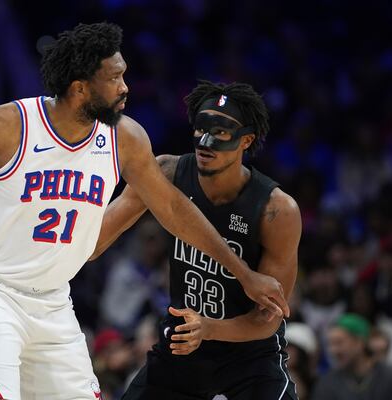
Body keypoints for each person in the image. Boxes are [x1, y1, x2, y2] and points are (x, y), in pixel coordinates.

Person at [0, 23, 288, 400]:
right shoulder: (5, 126)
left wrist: (243, 274)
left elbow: (173, 210)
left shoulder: (126, 138)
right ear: (82, 88)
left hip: (52, 301)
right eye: (116, 77)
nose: (127, 86)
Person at [92, 80, 301, 399]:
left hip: (249, 353)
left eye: (220, 132)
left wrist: (210, 328)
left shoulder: (277, 210)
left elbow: (267, 320)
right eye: (202, 127)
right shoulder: (167, 172)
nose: (206, 141)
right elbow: (100, 236)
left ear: (246, 140)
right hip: (183, 340)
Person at [311, 313, 392, 400]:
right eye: (330, 344)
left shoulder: (390, 379)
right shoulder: (328, 384)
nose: (333, 350)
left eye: (339, 343)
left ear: (359, 343)